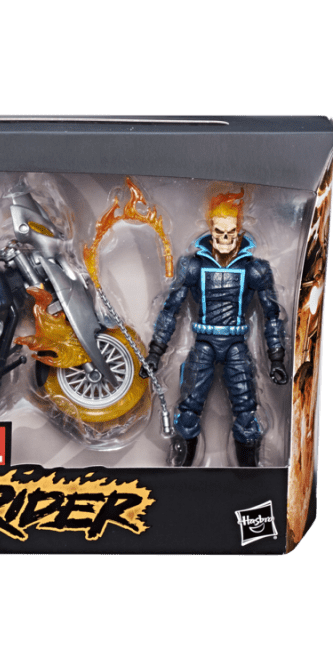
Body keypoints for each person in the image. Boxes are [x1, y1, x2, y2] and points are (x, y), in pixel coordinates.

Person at [140, 190, 288, 467]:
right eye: (219, 232)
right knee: (188, 413)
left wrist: (276, 358)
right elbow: (170, 310)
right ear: (210, 229)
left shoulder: (255, 269)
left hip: (236, 345)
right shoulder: (192, 266)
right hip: (204, 343)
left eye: (231, 233)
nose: (225, 239)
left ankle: (251, 477)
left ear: (239, 231)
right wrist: (155, 353)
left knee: (247, 415)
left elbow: (272, 316)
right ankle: (180, 472)